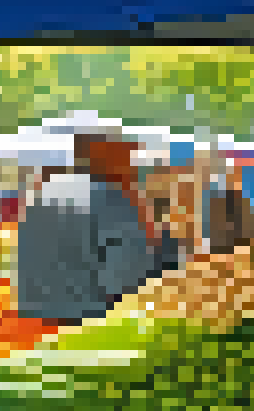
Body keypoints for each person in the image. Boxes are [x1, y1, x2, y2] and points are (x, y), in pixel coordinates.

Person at [16, 129, 161, 324]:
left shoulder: (44, 193)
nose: (132, 167)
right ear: (113, 161)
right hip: (88, 318)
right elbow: (125, 278)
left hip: (35, 313)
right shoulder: (113, 201)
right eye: (127, 158)